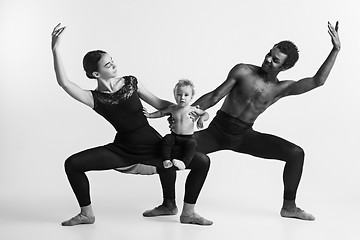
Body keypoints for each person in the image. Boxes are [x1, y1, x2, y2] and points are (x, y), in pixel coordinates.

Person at [143, 21, 341, 221]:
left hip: (244, 136)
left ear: (285, 66)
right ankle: (168, 204)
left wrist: (335, 50)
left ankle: (289, 207)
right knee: (167, 150)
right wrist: (187, 113)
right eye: (269, 54)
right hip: (217, 132)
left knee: (296, 153)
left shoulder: (283, 88)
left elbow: (318, 81)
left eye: (275, 60)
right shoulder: (243, 70)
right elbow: (214, 96)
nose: (268, 60)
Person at [51, 23, 213, 226]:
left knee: (202, 161)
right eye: (107, 65)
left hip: (151, 142)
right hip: (123, 149)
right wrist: (56, 49)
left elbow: (158, 103)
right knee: (73, 164)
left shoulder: (130, 82)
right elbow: (65, 83)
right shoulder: (94, 98)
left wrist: (181, 110)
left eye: (112, 61)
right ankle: (86, 214)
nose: (113, 65)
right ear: (96, 74)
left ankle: (182, 210)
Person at [144, 79, 209, 170]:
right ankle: (166, 160)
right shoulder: (172, 108)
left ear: (191, 97)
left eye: (186, 95)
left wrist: (201, 119)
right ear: (174, 95)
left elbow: (205, 114)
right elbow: (161, 113)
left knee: (192, 144)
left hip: (188, 138)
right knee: (166, 139)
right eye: (179, 94)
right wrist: (150, 115)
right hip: (174, 136)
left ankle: (184, 163)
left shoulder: (193, 109)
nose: (182, 98)